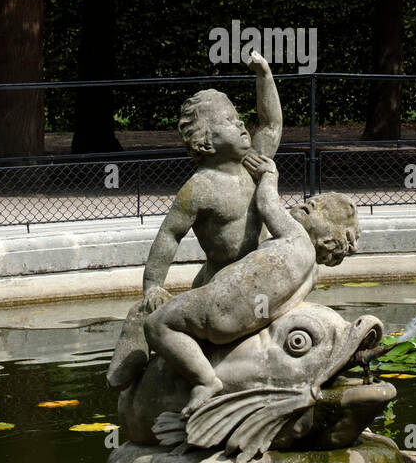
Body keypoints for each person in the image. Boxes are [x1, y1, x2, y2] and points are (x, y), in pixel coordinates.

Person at [143, 152, 358, 414]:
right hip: (243, 322)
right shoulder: (311, 274)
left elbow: (268, 206)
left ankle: (204, 380)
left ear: (327, 241)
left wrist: (270, 176)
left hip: (219, 306)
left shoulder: (296, 237)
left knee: (158, 323)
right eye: (310, 201)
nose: (307, 204)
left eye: (319, 210)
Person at [139, 49, 283, 306]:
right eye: (229, 120)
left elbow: (271, 125)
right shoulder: (200, 188)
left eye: (238, 117)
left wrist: (264, 75)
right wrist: (153, 287)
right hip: (220, 286)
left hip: (258, 279)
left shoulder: (252, 164)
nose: (241, 124)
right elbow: (170, 235)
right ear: (205, 143)